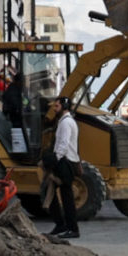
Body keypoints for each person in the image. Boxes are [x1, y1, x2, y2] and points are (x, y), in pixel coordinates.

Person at [45, 97, 83, 239]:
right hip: (63, 161)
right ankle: (61, 224)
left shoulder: (66, 123)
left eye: (57, 106)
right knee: (51, 192)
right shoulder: (64, 121)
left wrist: (55, 158)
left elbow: (64, 143)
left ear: (64, 106)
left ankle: (72, 228)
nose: (54, 109)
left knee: (66, 197)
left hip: (64, 162)